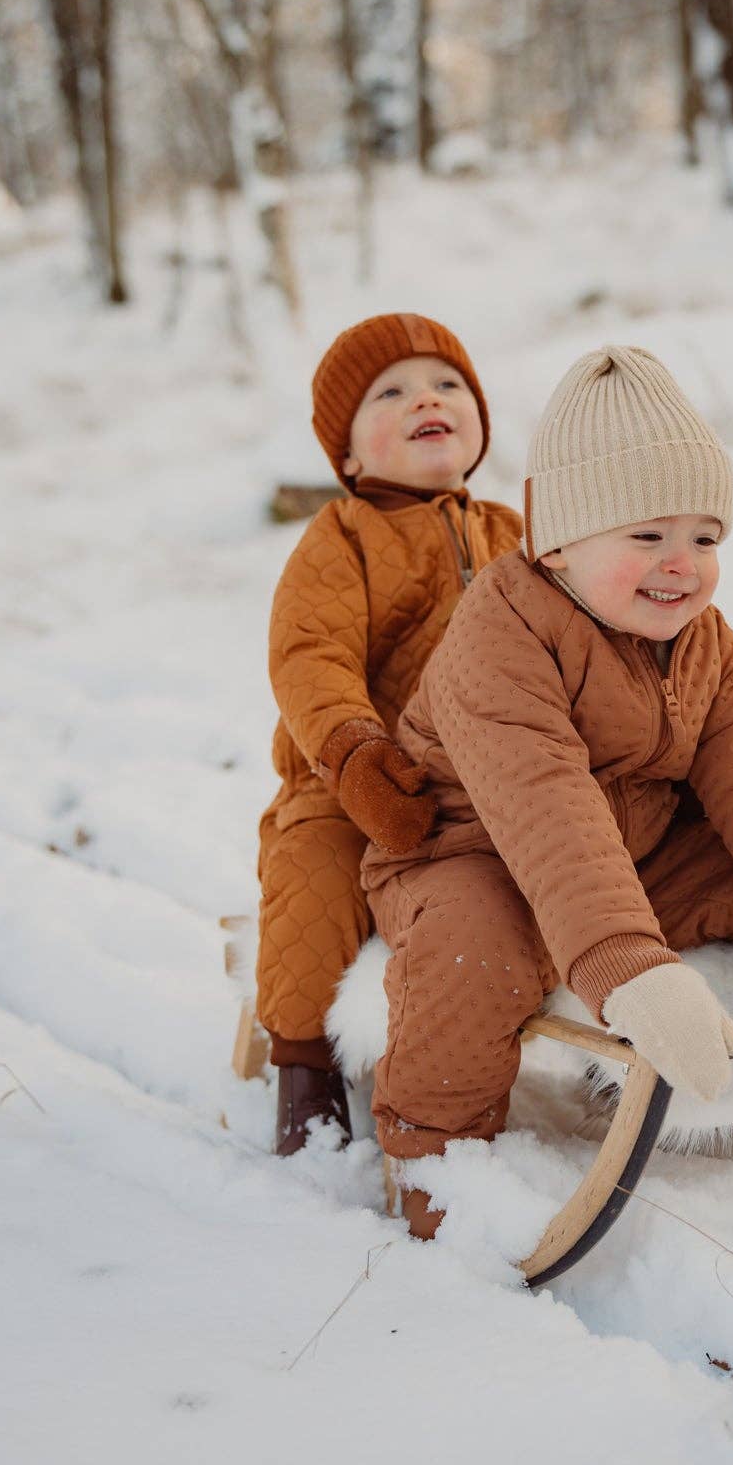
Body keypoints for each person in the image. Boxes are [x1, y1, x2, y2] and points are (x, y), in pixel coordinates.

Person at [361, 345, 733, 1238]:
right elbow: (545, 806)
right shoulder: (501, 637)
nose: (680, 563)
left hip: (623, 865)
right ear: (558, 541)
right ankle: (435, 1149)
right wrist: (628, 964)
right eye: (647, 535)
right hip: (471, 855)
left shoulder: (702, 643)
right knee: (473, 946)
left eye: (704, 537)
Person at [257, 313, 522, 1155]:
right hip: (359, 782)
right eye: (393, 391)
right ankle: (305, 1067)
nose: (426, 399)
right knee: (313, 875)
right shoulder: (341, 539)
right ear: (348, 457)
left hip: (496, 780)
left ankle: (604, 1030)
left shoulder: (516, 537)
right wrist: (353, 757)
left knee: (583, 862)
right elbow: (311, 655)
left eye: (447, 385)